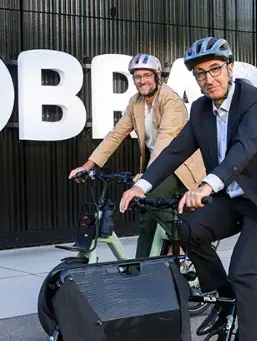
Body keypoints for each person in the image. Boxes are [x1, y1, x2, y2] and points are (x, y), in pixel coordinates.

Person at [119, 37, 257, 341]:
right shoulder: (201, 111)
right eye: (200, 74)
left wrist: (206, 186)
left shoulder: (255, 101)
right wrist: (141, 186)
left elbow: (244, 150)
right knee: (186, 230)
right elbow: (175, 151)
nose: (208, 79)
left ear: (230, 69)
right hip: (233, 197)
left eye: (215, 70)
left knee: (243, 272)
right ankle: (224, 302)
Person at [69, 53, 206, 258]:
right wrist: (88, 166)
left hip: (179, 167)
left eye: (147, 75)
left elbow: (165, 140)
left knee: (149, 196)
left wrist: (147, 177)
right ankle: (140, 268)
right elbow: (116, 135)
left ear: (157, 76)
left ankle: (190, 239)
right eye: (137, 76)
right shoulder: (136, 103)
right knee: (146, 216)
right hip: (157, 166)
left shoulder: (171, 100)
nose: (142, 80)